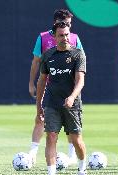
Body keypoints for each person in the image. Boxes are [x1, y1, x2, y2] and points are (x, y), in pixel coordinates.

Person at [28, 9, 83, 165]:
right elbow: (36, 61)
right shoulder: (43, 37)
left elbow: (81, 60)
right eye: (66, 23)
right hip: (48, 85)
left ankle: (72, 155)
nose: (68, 27)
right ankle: (32, 153)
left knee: (70, 124)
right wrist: (31, 83)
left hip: (67, 87)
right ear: (55, 23)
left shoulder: (74, 38)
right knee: (40, 118)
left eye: (70, 24)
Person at [37, 22, 87, 175]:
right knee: (51, 137)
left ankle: (82, 172)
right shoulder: (48, 55)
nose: (65, 38)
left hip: (72, 105)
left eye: (67, 34)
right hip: (52, 104)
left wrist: (72, 96)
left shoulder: (78, 54)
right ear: (54, 36)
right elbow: (42, 82)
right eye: (61, 35)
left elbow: (80, 81)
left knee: (76, 139)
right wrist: (39, 107)